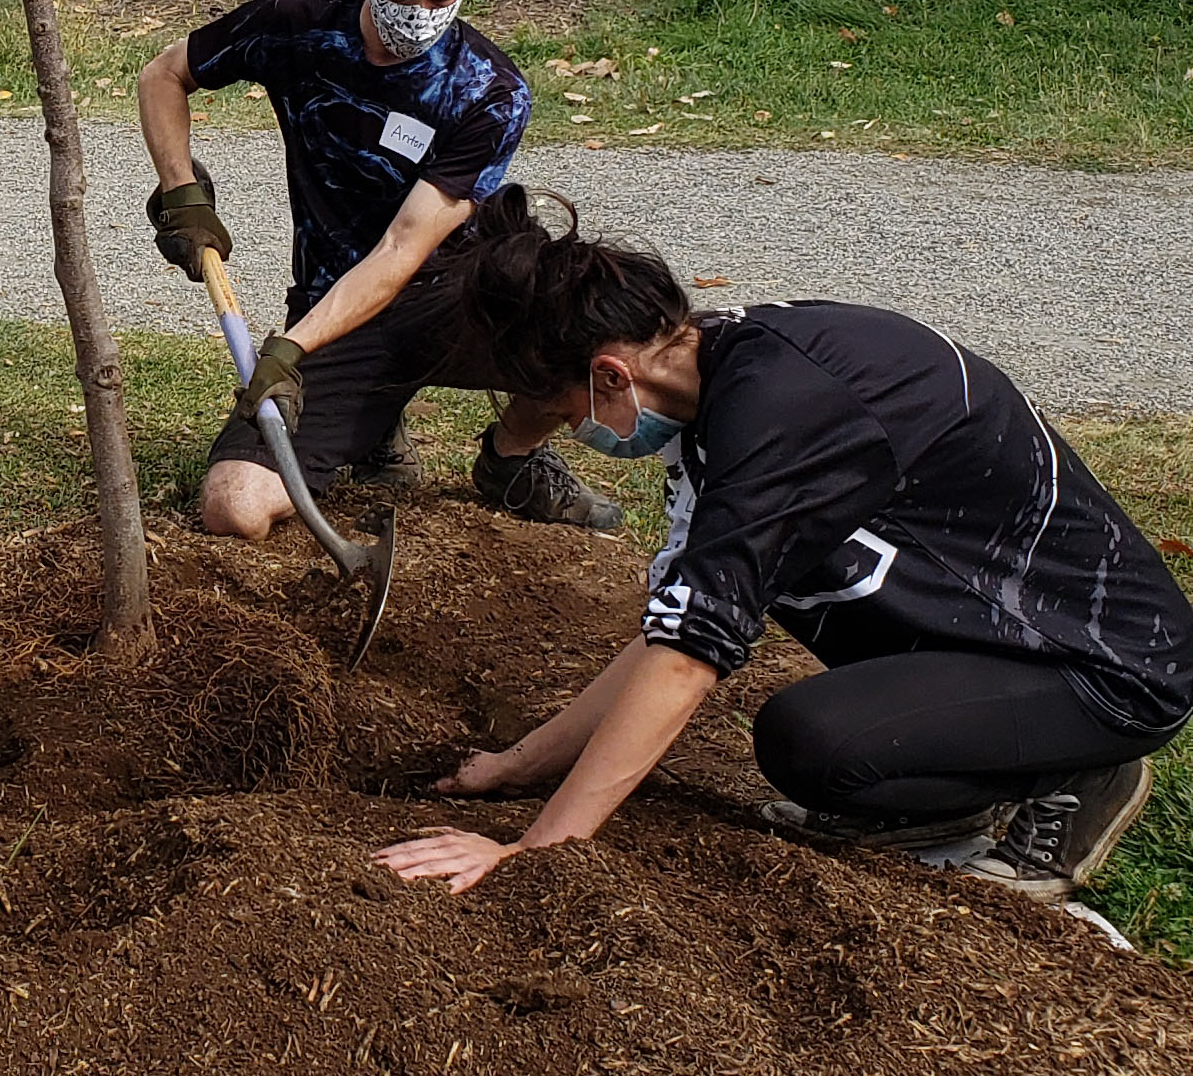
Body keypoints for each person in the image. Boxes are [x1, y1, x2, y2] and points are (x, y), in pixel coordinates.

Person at [375, 188, 1192, 901]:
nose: (571, 429)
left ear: (612, 375)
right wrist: (518, 764)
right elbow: (677, 624)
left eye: (561, 409)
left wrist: (535, 851)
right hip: (990, 632)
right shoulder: (726, 393)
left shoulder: (783, 412)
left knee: (821, 745)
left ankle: (1068, 774)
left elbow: (689, 659)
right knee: (815, 743)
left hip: (1103, 665)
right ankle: (982, 761)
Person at [136, 0, 621, 538]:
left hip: (465, 294)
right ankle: (377, 420)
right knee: (234, 505)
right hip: (337, 310)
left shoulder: (488, 90)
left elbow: (402, 249)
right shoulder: (296, 30)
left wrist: (286, 349)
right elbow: (164, 73)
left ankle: (512, 458)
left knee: (603, 332)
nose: (419, 15)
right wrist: (179, 187)